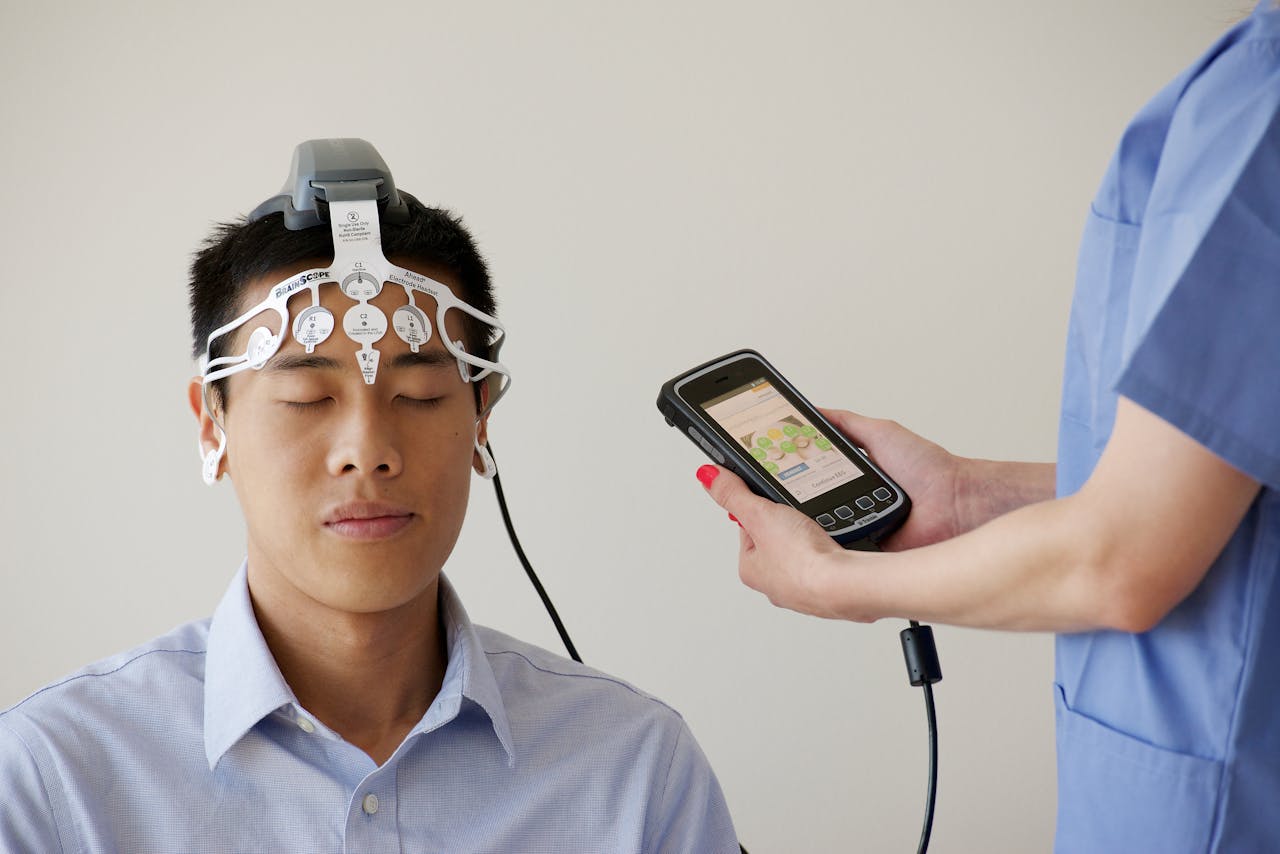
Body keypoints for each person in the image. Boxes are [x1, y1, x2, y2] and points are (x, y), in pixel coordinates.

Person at [0, 140, 739, 853]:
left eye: (419, 394)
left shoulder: (636, 770)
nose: (369, 452)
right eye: (305, 396)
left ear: (481, 415)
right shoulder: (52, 778)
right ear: (212, 422)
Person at [697, 4, 1280, 851]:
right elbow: (1223, 479)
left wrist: (839, 584)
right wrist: (969, 498)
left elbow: (1126, 560)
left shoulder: (1262, 99)